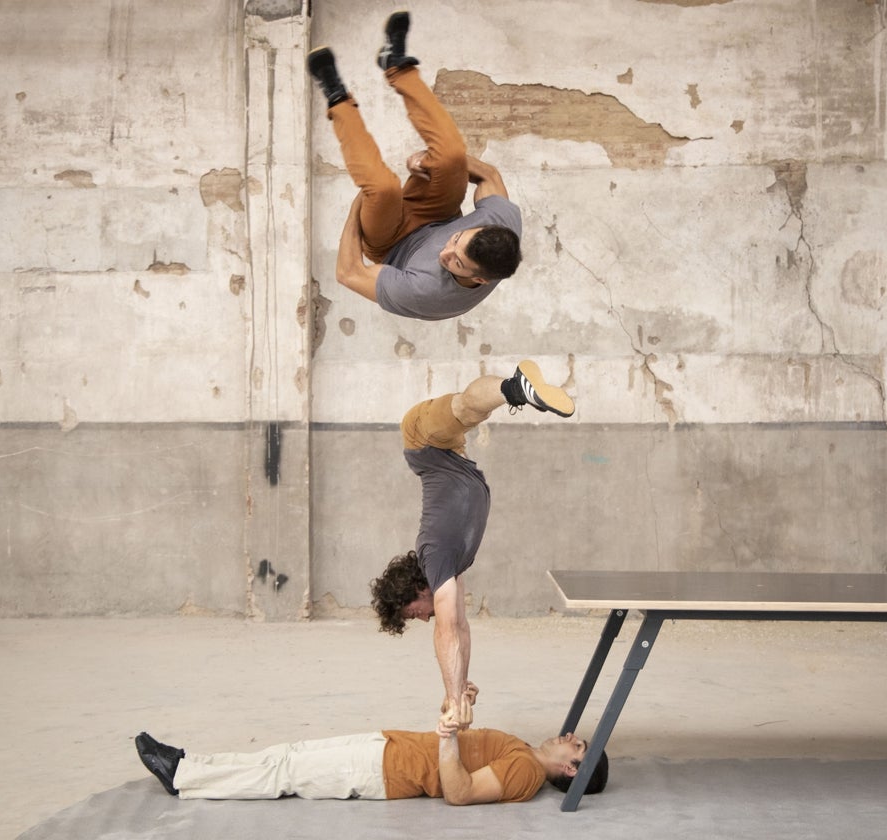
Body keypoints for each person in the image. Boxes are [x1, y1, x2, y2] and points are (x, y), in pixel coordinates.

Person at [370, 359, 574, 729]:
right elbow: (461, 627)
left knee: (465, 408)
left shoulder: (436, 559)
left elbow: (445, 630)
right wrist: (460, 686)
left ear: (413, 590)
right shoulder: (453, 568)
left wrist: (449, 697)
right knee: (465, 414)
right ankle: (515, 389)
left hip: (421, 439)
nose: (422, 616)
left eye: (412, 612)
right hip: (449, 452)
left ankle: (516, 388)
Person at [307, 11, 523, 321]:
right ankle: (396, 66)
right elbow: (488, 174)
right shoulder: (503, 222)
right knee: (451, 155)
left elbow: (348, 272)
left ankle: (338, 99)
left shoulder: (427, 294)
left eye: (457, 263)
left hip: (390, 241)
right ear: (480, 226)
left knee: (382, 188)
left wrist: (360, 201)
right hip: (437, 212)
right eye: (457, 241)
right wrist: (426, 158)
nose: (445, 254)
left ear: (479, 279)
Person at [134, 693, 608, 806]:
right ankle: (191, 764)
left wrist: (446, 735)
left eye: (578, 746)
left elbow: (459, 793)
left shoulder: (525, 774)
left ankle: (181, 779)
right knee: (288, 753)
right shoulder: (523, 750)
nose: (571, 736)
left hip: (385, 772)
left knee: (286, 773)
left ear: (570, 770)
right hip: (388, 746)